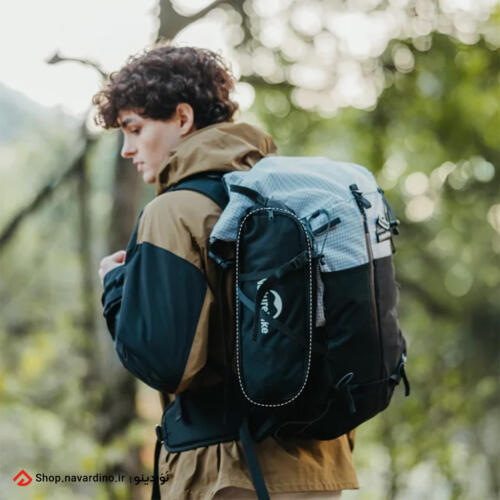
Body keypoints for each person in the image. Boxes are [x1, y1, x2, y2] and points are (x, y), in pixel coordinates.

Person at [95, 44, 358, 500]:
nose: (127, 149)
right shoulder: (280, 193)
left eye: (134, 129)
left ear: (182, 118)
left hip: (229, 471)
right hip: (319, 464)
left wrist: (117, 287)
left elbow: (165, 365)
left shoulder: (173, 211)